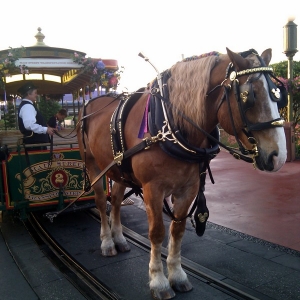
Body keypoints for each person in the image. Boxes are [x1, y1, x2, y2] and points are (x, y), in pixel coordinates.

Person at [17, 81, 55, 150]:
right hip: (35, 145)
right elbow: (29, 125)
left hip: (36, 143)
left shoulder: (28, 105)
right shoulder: (27, 106)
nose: (36, 95)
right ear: (29, 94)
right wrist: (45, 129)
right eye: (35, 93)